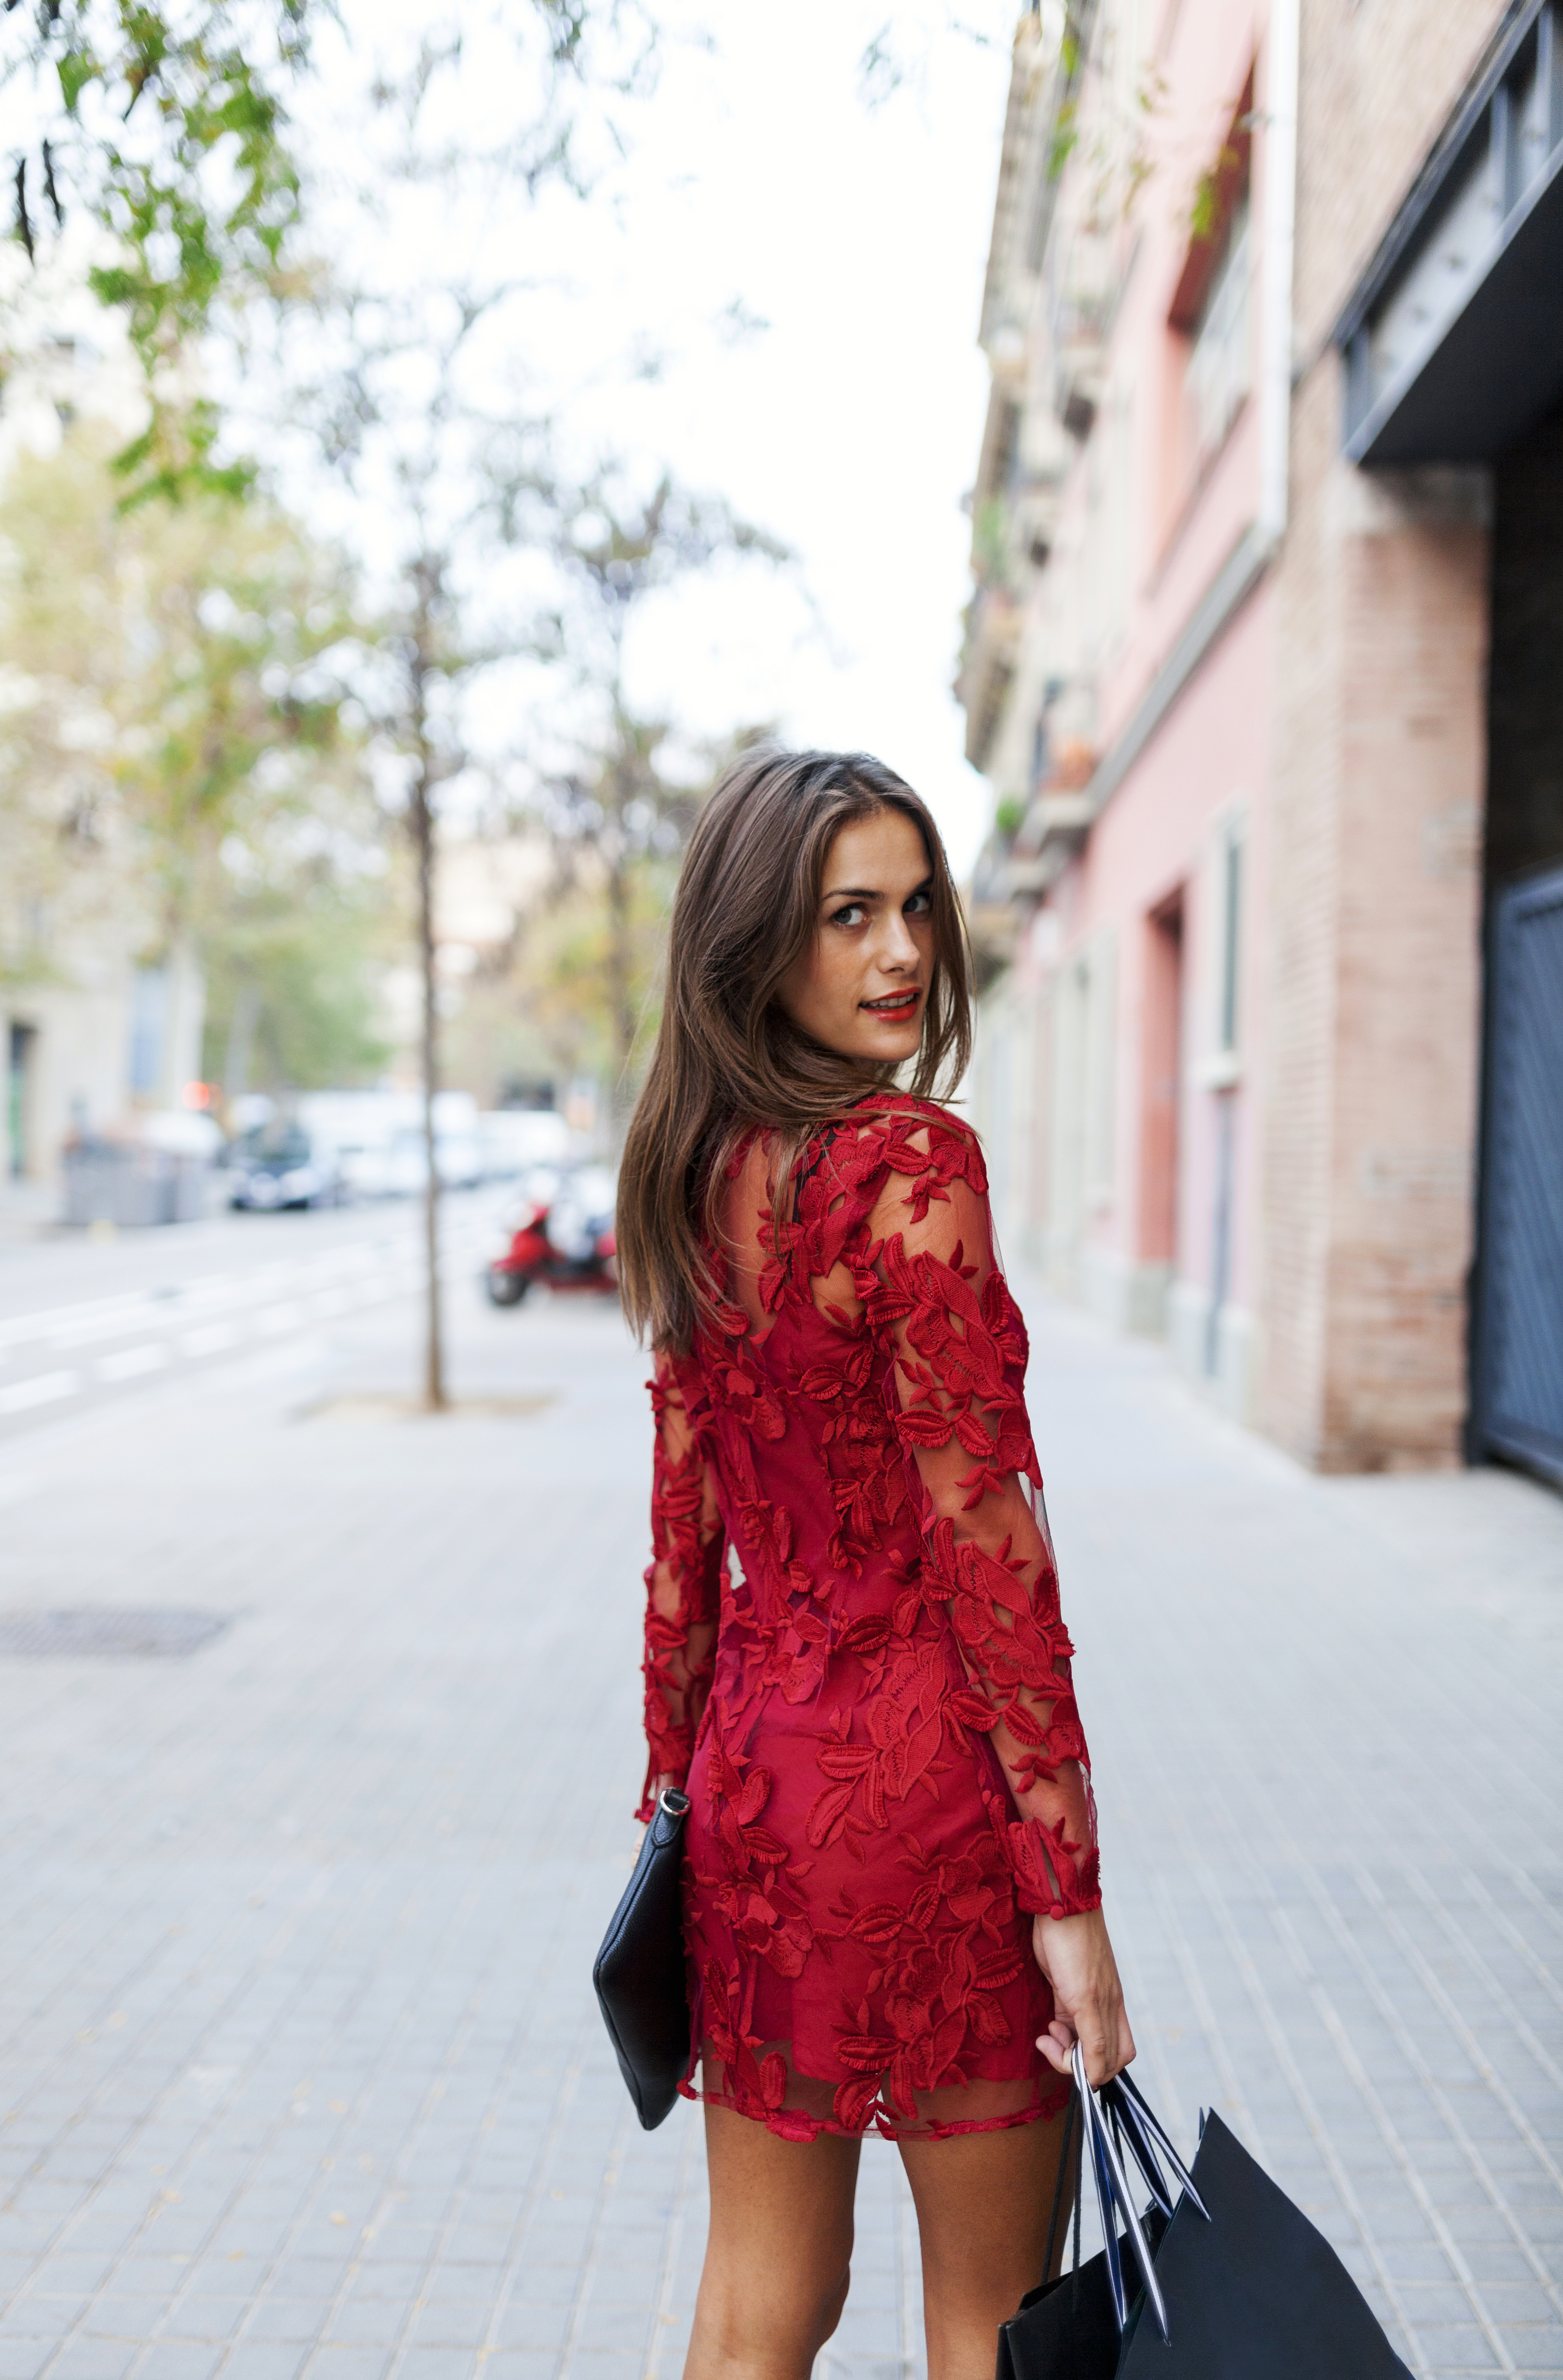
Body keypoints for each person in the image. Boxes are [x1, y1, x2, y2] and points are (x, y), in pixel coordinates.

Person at [616, 747, 1135, 2380]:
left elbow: (680, 1550)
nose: (902, 952)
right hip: (931, 1810)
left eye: (917, 908)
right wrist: (1071, 1898)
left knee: (759, 2303)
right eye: (849, 915)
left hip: (758, 1807)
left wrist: (668, 1808)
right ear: (757, 942)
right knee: (990, 2322)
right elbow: (993, 1555)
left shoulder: (696, 1182)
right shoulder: (910, 1168)